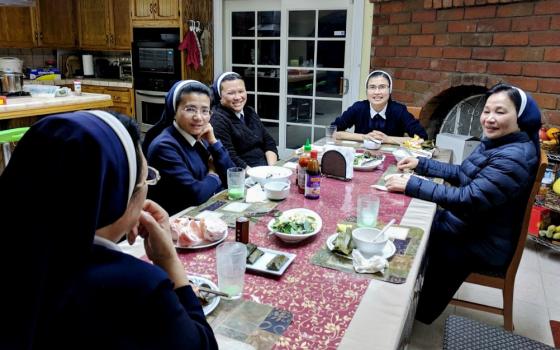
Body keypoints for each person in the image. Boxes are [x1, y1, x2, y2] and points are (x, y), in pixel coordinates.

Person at [0, 110, 218, 349]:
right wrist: (169, 261)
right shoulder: (136, 286)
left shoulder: (21, 255)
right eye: (146, 179)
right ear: (117, 194)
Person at [385, 84, 542, 324]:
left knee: (405, 230)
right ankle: (402, 292)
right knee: (405, 219)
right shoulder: (501, 143)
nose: (489, 119)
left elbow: (468, 199)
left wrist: (412, 185)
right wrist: (421, 165)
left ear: (520, 117)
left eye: (500, 112)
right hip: (475, 227)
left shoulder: (514, 157)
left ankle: (406, 308)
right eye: (486, 110)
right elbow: (463, 173)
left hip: (480, 242)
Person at [143, 80, 235, 216]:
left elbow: (233, 178)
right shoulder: (164, 147)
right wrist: (213, 174)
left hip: (209, 210)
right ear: (174, 111)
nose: (198, 117)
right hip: (180, 220)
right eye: (190, 109)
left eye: (205, 111)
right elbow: (196, 195)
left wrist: (214, 142)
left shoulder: (202, 135)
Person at [331, 70, 428, 144]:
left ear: (389, 90)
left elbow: (422, 138)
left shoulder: (399, 110)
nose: (377, 92)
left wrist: (387, 139)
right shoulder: (358, 108)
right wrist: (364, 137)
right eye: (372, 87)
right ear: (367, 91)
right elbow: (333, 130)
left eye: (382, 87)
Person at [211, 71, 279, 169]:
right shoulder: (218, 119)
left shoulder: (249, 111)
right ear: (219, 96)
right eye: (231, 93)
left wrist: (271, 169)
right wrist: (256, 176)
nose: (238, 97)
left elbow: (269, 142)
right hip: (244, 175)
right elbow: (230, 157)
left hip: (265, 169)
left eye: (241, 91)